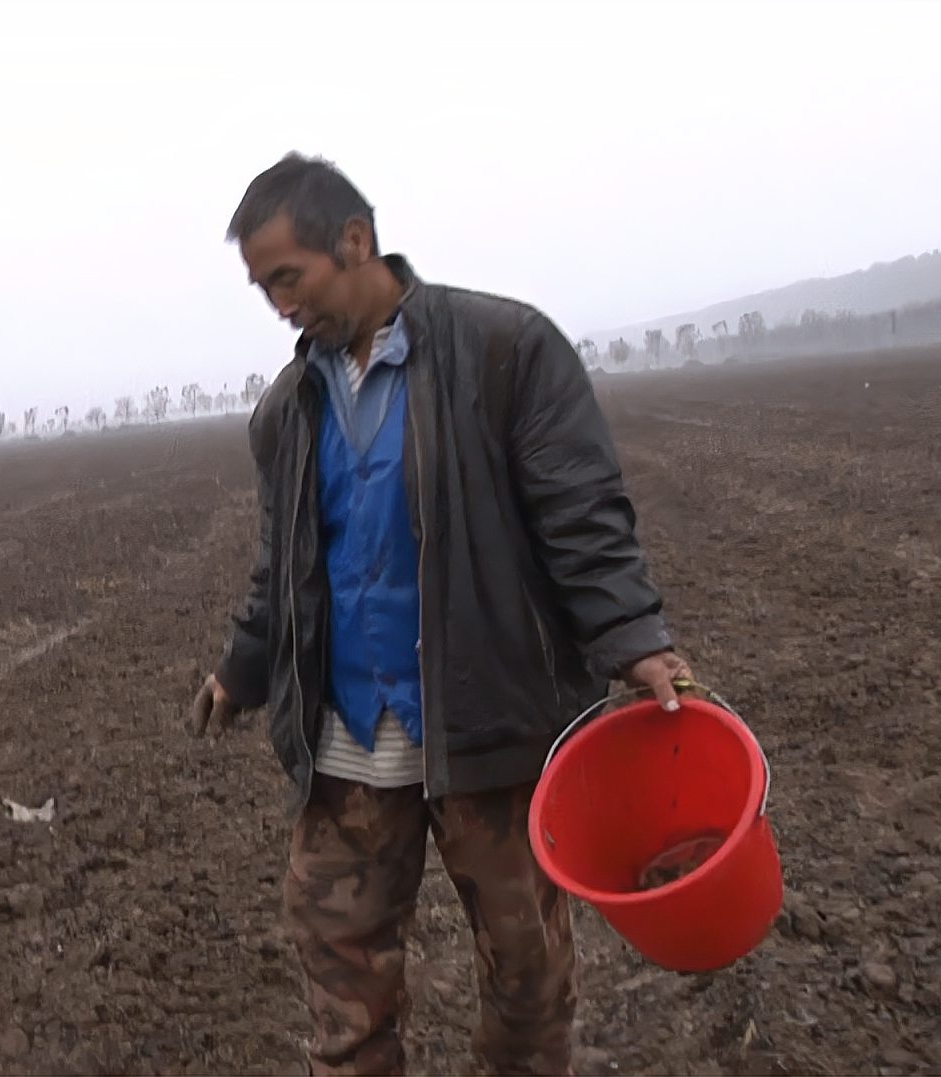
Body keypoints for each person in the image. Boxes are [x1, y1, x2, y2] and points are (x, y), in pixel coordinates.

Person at [188, 152, 695, 1077]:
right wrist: (244, 664)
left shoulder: (504, 350)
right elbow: (285, 561)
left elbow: (580, 509)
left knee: (528, 977)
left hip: (490, 730)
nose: (279, 307)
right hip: (349, 744)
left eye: (288, 279)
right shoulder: (286, 412)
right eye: (263, 290)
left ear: (355, 241)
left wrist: (635, 639)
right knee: (340, 974)